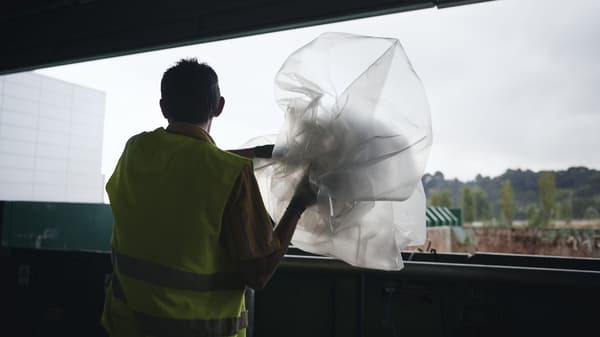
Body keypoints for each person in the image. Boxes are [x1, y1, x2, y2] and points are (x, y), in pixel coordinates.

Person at [101, 58, 316, 337]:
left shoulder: (136, 150)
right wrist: (298, 205)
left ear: (164, 107)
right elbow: (259, 273)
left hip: (123, 327)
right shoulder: (231, 174)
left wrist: (263, 153)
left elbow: (191, 160)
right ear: (219, 106)